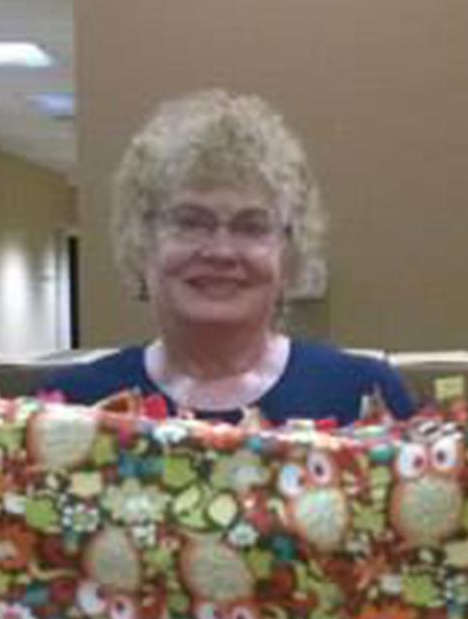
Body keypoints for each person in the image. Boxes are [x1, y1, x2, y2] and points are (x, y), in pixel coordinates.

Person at [48, 89, 414, 422]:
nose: (221, 251)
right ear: (142, 240)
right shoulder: (72, 405)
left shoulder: (364, 396)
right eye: (190, 222)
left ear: (289, 251)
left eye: (251, 227)